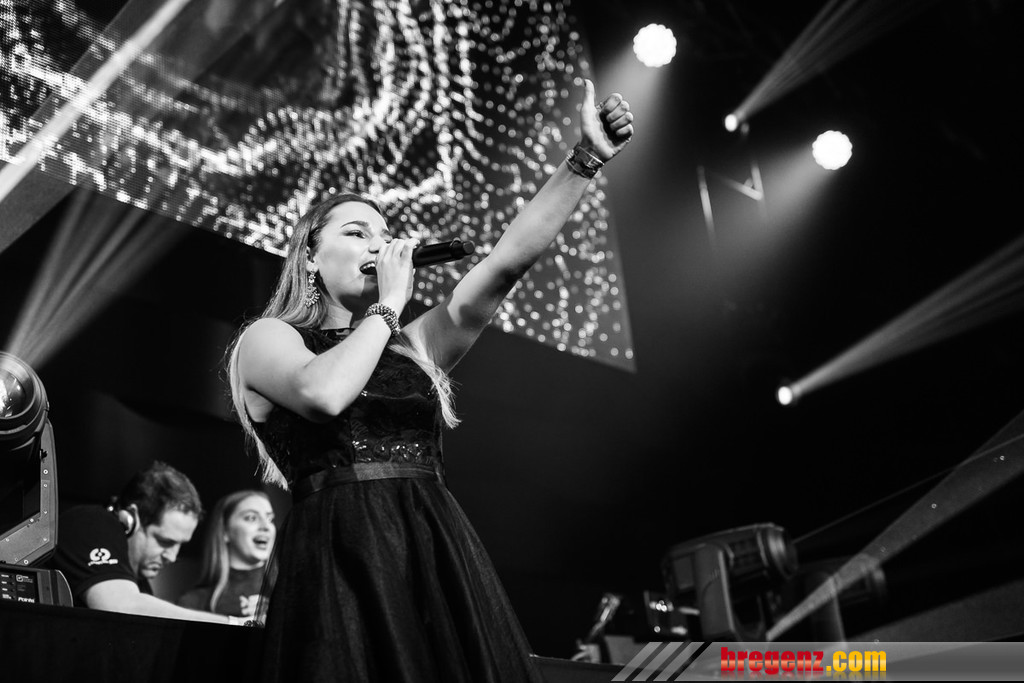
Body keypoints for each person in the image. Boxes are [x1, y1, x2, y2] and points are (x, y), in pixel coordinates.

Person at [228, 79, 633, 681]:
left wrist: (585, 160)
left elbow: (504, 265)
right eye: (356, 232)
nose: (379, 244)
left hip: (431, 544)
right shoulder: (268, 339)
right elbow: (323, 393)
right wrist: (389, 305)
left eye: (383, 234)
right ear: (310, 256)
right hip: (342, 553)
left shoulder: (409, 346)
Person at [49, 461, 246, 625]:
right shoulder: (92, 522)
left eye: (180, 544)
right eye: (165, 541)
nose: (172, 557)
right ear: (130, 520)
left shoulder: (139, 583)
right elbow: (122, 607)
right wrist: (237, 624)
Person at [177, 489, 276, 617]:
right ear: (225, 531)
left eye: (270, 519)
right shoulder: (193, 603)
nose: (266, 526)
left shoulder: (293, 592)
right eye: (251, 518)